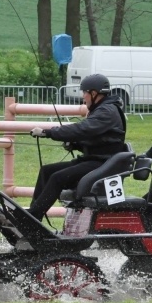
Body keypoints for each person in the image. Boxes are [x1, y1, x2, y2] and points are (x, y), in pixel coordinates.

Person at [28, 73, 127, 221]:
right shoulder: (104, 109)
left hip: (103, 165)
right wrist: (76, 144)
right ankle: (32, 215)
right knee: (47, 171)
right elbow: (100, 140)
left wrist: (47, 132)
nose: (83, 97)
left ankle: (32, 218)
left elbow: (83, 129)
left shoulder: (107, 111)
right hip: (95, 160)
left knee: (57, 178)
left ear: (94, 93)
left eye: (85, 93)